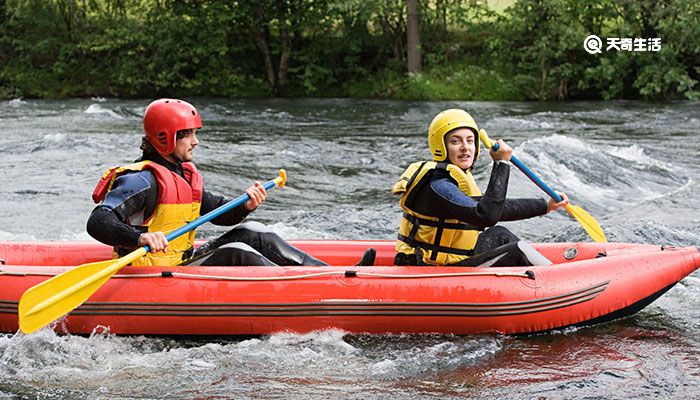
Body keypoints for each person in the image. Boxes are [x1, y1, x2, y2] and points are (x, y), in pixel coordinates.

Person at [87, 98, 375, 267]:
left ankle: (331, 276)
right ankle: (309, 289)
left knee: (253, 233)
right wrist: (139, 237)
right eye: (188, 135)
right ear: (167, 137)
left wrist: (245, 206)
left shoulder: (183, 174)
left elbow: (218, 212)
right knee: (236, 253)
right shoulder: (141, 180)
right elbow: (98, 220)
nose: (195, 142)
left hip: (181, 261)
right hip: (153, 275)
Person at [392, 109, 569, 267]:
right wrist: (501, 164)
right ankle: (558, 282)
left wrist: (545, 205)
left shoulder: (452, 180)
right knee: (518, 250)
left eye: (470, 141)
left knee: (499, 234)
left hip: (449, 261)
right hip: (428, 269)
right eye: (455, 141)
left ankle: (554, 276)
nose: (465, 148)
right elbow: (487, 215)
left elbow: (497, 208)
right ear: (440, 146)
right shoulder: (438, 185)